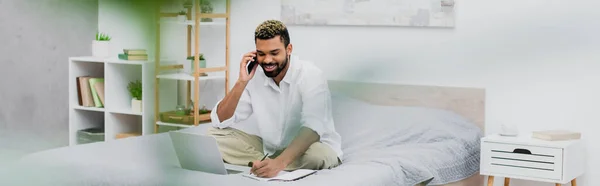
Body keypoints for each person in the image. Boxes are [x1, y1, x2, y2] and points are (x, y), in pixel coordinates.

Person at [207, 20, 343, 178]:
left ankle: (272, 164)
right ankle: (268, 164)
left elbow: (313, 128)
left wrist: (280, 162)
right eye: (261, 54)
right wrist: (241, 82)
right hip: (270, 150)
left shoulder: (311, 75)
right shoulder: (255, 75)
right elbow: (220, 120)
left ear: (289, 49)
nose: (267, 60)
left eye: (274, 53)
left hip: (312, 148)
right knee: (213, 137)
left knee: (317, 156)